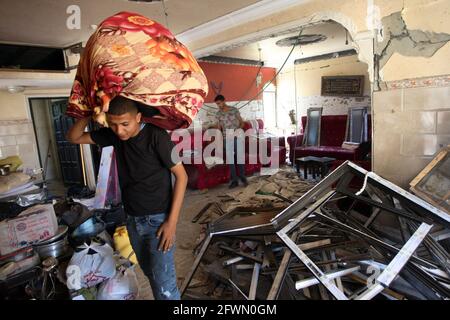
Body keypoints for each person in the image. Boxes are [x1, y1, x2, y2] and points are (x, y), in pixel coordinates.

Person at [66, 96, 187, 300]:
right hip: (131, 219)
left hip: (158, 221)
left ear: (138, 117)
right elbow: (74, 137)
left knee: (164, 286)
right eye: (113, 124)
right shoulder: (112, 136)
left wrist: (171, 223)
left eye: (125, 124)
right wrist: (88, 112)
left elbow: (181, 176)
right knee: (150, 273)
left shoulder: (158, 137)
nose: (120, 130)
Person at [213, 95, 248, 189]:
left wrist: (238, 131)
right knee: (231, 160)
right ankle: (234, 181)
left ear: (224, 101)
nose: (218, 105)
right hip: (227, 138)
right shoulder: (218, 114)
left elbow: (242, 123)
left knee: (240, 157)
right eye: (217, 104)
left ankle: (243, 177)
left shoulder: (234, 110)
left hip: (237, 136)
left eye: (219, 103)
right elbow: (219, 128)